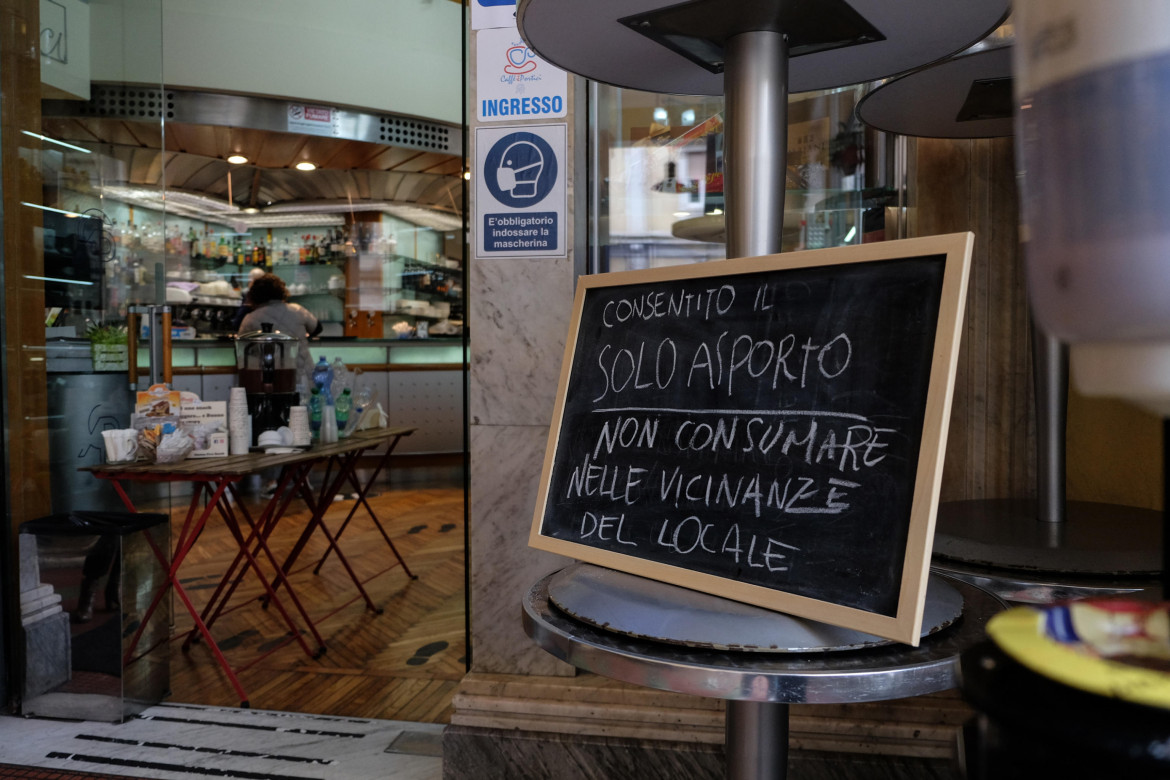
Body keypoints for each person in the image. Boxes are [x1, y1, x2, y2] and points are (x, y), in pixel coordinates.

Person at [238, 273, 321, 497]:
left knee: (273, 426)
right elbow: (316, 328)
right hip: (303, 375)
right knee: (302, 426)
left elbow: (244, 345)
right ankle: (303, 478)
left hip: (270, 380)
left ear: (255, 294)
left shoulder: (250, 318)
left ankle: (271, 481)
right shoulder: (297, 310)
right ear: (281, 291)